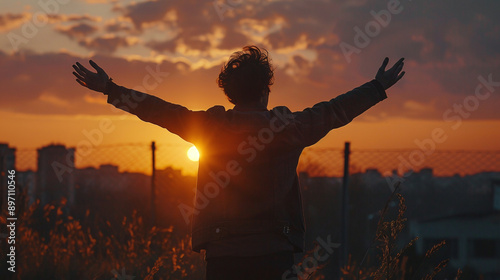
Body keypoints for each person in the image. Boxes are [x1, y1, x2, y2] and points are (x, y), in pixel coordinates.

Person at [72, 46, 405, 280]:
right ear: (266, 89)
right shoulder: (288, 128)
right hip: (275, 252)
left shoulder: (210, 128)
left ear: (229, 93)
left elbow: (159, 111)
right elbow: (334, 111)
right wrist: (376, 87)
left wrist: (110, 89)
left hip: (223, 253)